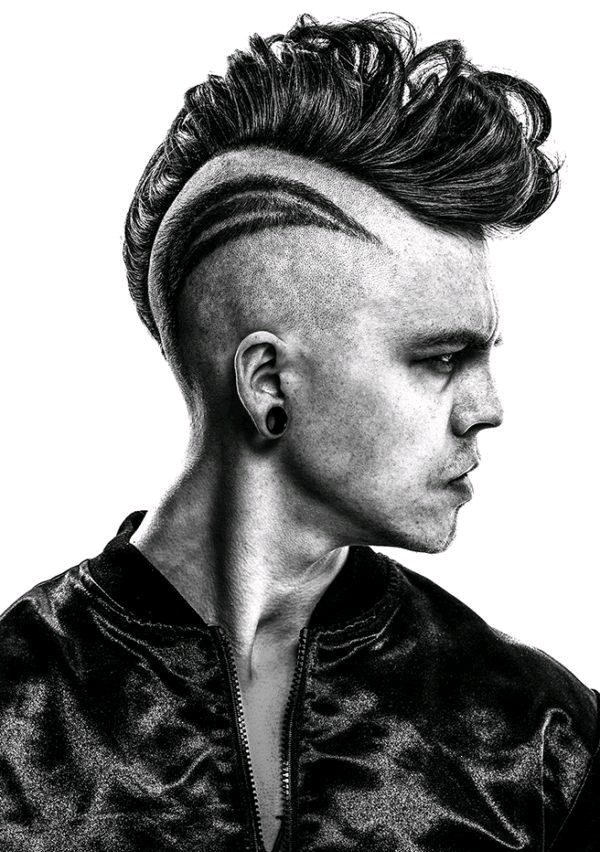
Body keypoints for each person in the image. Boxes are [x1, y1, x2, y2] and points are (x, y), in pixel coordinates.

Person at [0, 12, 598, 852]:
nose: (488, 407)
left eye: (484, 355)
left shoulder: (539, 737)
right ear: (267, 384)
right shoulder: (15, 723)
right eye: (441, 358)